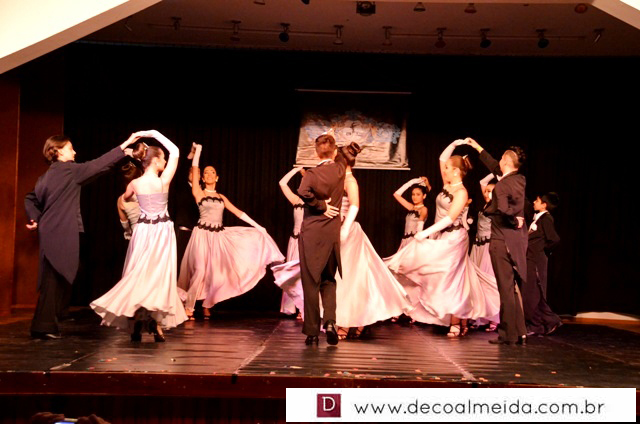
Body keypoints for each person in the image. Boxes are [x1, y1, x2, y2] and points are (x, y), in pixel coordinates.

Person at [24, 133, 140, 339]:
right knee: (54, 278)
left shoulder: (46, 176)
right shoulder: (69, 171)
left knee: (56, 276)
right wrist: (125, 146)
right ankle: (43, 326)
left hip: (50, 230)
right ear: (58, 151)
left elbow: (30, 198)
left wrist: (35, 218)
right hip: (60, 231)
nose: (75, 152)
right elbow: (98, 164)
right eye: (70, 148)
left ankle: (49, 320)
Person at [385, 139, 500, 337]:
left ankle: (456, 322)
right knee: (437, 275)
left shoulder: (462, 192)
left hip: (456, 238)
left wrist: (425, 232)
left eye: (447, 168)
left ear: (455, 171)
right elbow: (442, 157)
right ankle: (456, 318)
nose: (444, 170)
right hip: (441, 236)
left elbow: (450, 218)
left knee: (452, 279)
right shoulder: (447, 184)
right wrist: (455, 144)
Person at [91, 130, 188, 342]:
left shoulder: (134, 184)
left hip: (143, 230)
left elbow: (125, 199)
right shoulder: (163, 181)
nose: (165, 161)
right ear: (156, 160)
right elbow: (176, 151)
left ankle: (140, 320)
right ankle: (153, 322)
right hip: (161, 231)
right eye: (162, 158)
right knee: (157, 277)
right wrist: (152, 133)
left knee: (140, 274)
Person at [177, 144, 284, 318]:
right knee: (200, 270)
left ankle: (207, 304)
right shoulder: (199, 193)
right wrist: (198, 152)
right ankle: (189, 306)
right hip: (202, 236)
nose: (209, 174)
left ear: (217, 178)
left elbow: (238, 212)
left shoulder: (221, 198)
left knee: (215, 274)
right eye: (206, 173)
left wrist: (258, 226)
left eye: (212, 172)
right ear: (202, 178)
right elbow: (195, 170)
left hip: (218, 237)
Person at [466, 137, 528, 345]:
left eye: (501, 158)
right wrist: (478, 147)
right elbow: (494, 165)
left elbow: (502, 209)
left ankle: (507, 334)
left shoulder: (501, 186)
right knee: (511, 287)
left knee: (505, 289)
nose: (498, 161)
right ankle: (520, 331)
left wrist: (512, 219)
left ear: (507, 162)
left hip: (501, 240)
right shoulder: (519, 179)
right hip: (517, 241)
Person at [297, 131, 346, 345]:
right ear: (334, 152)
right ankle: (330, 322)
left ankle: (312, 331)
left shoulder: (312, 174)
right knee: (329, 280)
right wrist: (332, 139)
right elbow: (344, 154)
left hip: (312, 233)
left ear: (316, 153)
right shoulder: (340, 170)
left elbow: (302, 191)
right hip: (331, 233)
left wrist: (319, 205)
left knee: (311, 282)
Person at [524, 192, 562, 336]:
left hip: (536, 260)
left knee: (533, 293)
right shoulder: (538, 218)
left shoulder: (546, 218)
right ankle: (542, 323)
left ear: (544, 205)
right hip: (530, 259)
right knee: (531, 293)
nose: (534, 202)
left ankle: (544, 322)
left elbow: (554, 239)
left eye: (537, 200)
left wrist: (542, 250)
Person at [469, 173, 500, 332]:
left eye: (490, 192)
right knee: (477, 282)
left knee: (489, 281)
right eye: (486, 191)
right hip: (478, 246)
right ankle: (479, 317)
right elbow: (482, 181)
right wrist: (495, 172)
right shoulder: (486, 205)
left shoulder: (497, 208)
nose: (487, 193)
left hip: (489, 246)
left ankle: (494, 318)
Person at [275, 166, 306, 318]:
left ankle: (304, 308)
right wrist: (297, 170)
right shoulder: (296, 200)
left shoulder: (319, 201)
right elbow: (282, 183)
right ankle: (294, 306)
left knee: (306, 275)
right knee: (292, 274)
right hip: (294, 241)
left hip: (308, 242)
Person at [392, 177, 430, 251]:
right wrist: (412, 182)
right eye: (413, 194)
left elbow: (420, 224)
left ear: (424, 196)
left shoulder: (423, 209)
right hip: (405, 241)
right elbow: (396, 194)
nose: (414, 197)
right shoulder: (411, 207)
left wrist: (418, 241)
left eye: (418, 194)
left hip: (414, 241)